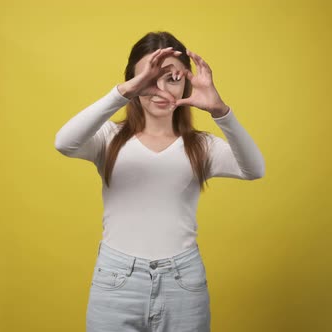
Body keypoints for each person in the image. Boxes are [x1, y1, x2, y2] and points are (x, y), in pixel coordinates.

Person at [54, 31, 265, 332]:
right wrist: (123, 92)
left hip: (183, 283)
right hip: (116, 282)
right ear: (132, 83)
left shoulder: (200, 146)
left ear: (186, 84)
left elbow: (254, 168)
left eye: (172, 78)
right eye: (148, 78)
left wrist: (220, 111)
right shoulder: (108, 140)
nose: (160, 89)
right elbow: (64, 142)